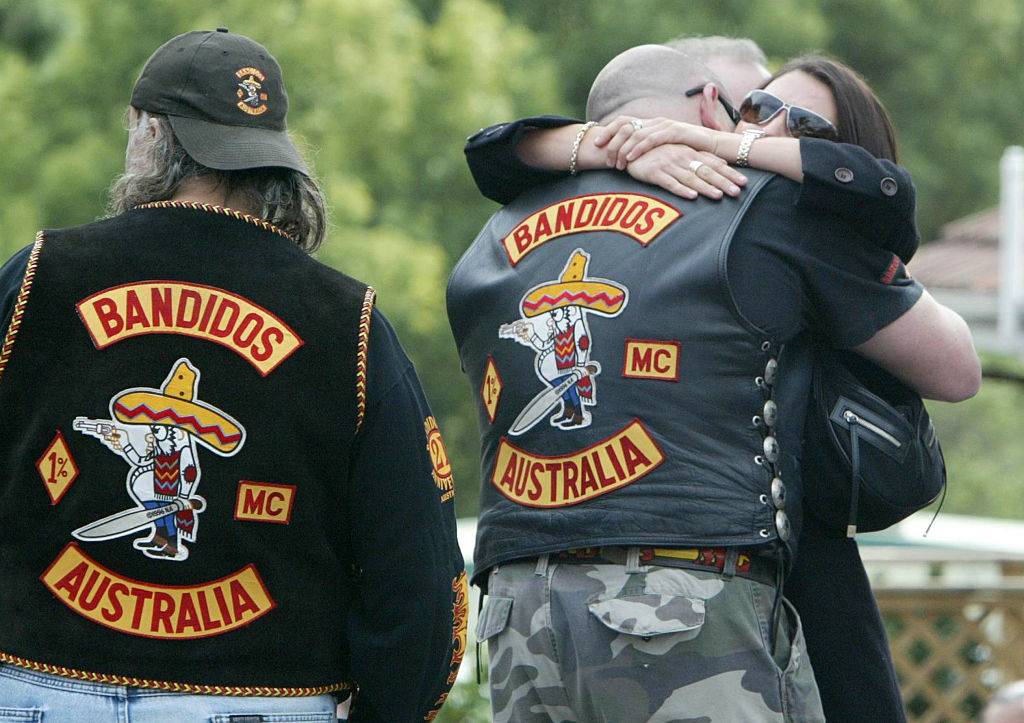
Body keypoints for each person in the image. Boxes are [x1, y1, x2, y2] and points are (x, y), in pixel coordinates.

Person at [448, 44, 979, 722]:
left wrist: (596, 144)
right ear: (709, 105)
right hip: (684, 596)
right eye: (754, 107)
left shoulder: (500, 229)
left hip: (521, 604)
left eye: (800, 125)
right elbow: (955, 369)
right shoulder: (766, 210)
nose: (763, 128)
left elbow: (491, 151)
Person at [0, 29, 465, 722]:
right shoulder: (347, 320)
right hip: (259, 702)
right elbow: (422, 576)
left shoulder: (37, 276)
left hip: (36, 691)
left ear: (149, 133)